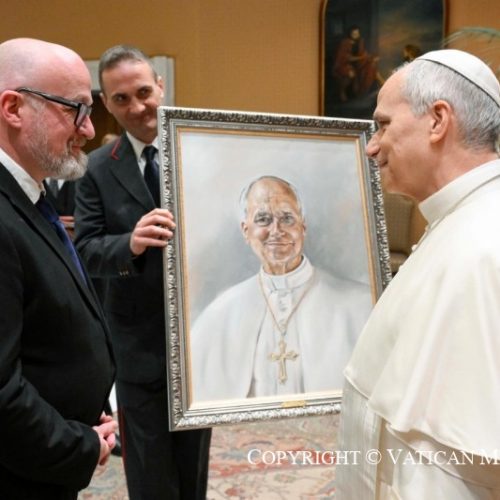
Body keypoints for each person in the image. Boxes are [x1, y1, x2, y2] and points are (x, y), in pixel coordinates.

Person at [335, 49, 500, 498]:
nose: (372, 146)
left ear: (438, 120)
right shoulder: (459, 218)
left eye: (383, 125)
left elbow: (460, 465)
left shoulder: (484, 244)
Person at [74, 45, 211, 500]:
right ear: (107, 104)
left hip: (198, 342)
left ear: (161, 87)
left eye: (143, 92)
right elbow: (85, 250)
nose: (136, 107)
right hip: (135, 345)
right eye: (121, 99)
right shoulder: (95, 168)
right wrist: (129, 244)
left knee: (193, 466)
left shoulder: (200, 152)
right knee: (149, 470)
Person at [0, 38, 116, 499]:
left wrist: (83, 406)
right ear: (13, 108)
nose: (89, 129)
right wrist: (76, 445)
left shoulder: (29, 195)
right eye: (76, 110)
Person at [191, 175, 372, 401]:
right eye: (263, 219)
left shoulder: (359, 306)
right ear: (246, 230)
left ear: (303, 227)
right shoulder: (219, 315)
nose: (276, 230)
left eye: (287, 218)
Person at [332, 25, 384, 102]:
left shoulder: (360, 42)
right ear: (350, 34)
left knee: (372, 66)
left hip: (358, 64)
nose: (356, 35)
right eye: (354, 34)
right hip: (345, 65)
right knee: (351, 73)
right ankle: (342, 91)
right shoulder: (345, 43)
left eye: (357, 34)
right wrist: (362, 58)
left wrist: (371, 58)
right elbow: (347, 58)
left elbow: (363, 54)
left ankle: (383, 84)